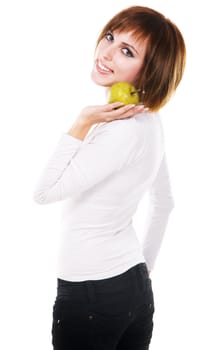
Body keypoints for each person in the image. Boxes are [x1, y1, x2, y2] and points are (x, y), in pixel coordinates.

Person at [33, 5, 186, 350]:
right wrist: (140, 274)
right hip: (133, 290)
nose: (107, 52)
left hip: (90, 296)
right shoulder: (150, 122)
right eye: (111, 36)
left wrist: (81, 122)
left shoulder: (118, 131)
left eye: (127, 51)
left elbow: (44, 192)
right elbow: (166, 204)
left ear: (150, 71)